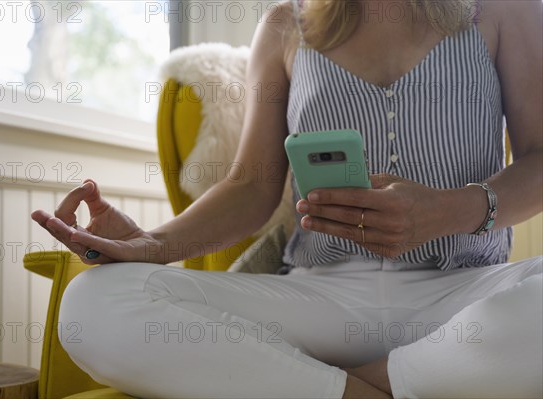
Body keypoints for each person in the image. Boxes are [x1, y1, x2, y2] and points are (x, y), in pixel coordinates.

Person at [32, 0, 542, 397]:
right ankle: (360, 390)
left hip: (461, 296)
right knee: (90, 304)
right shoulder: (284, 25)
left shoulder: (503, 11)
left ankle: (353, 381)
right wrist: (151, 242)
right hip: (321, 302)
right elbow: (251, 187)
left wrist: (448, 210)